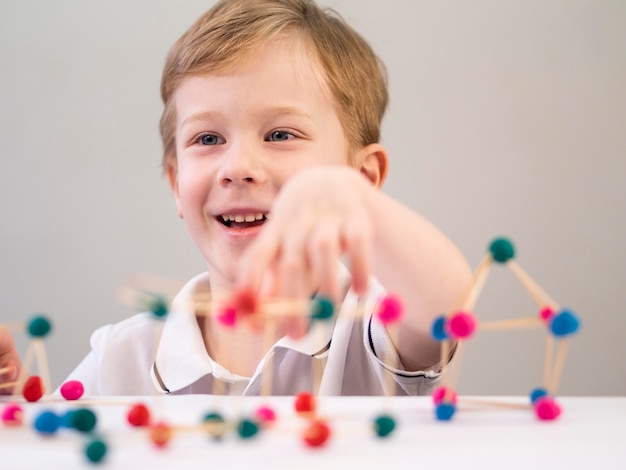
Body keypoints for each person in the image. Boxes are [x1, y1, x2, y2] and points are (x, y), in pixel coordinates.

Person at [0, 0, 471, 397]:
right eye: (207, 139)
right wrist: (14, 403)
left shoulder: (373, 325)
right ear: (175, 184)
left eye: (280, 134)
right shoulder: (120, 357)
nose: (238, 167)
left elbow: (445, 306)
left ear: (363, 180)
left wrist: (352, 205)